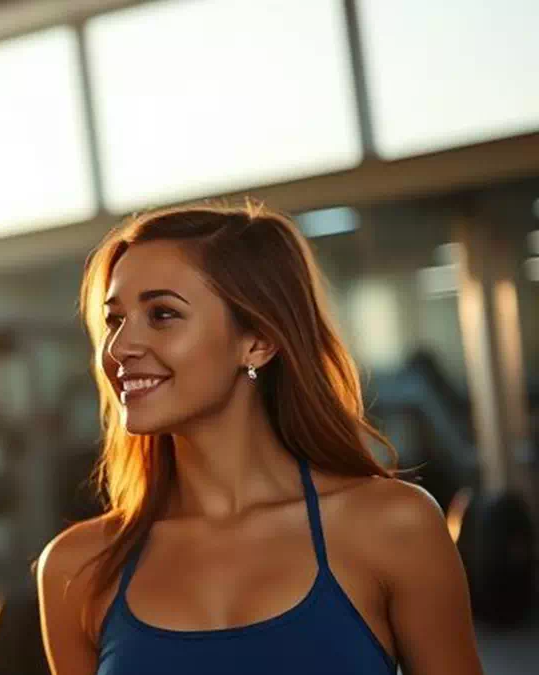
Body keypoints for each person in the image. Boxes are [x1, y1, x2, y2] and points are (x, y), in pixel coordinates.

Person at [37, 203, 482, 675]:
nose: (120, 347)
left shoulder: (392, 526)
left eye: (162, 314)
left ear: (258, 341)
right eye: (115, 320)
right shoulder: (77, 569)